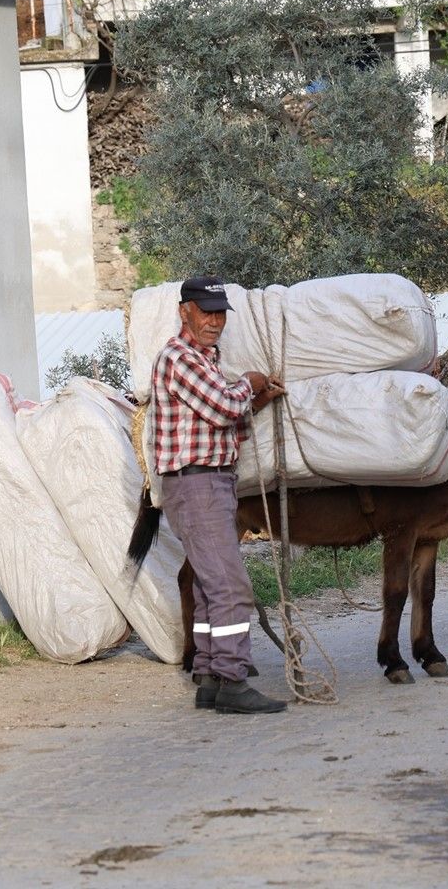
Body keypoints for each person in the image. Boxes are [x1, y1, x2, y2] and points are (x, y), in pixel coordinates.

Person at [151, 276, 288, 714]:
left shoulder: (206, 360)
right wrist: (251, 382)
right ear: (184, 311)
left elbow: (227, 419)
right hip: (197, 484)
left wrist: (258, 397)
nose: (214, 320)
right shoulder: (180, 358)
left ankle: (209, 675)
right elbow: (227, 407)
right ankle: (232, 678)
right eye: (205, 311)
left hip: (210, 482)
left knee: (211, 587)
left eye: (219, 312)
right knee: (230, 586)